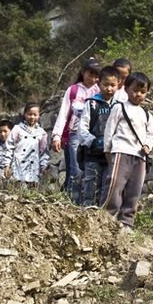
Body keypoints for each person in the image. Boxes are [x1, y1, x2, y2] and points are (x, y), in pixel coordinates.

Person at [101, 72, 153, 228]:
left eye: (142, 92)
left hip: (139, 156)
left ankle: (126, 222)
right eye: (135, 90)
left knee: (134, 190)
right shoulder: (119, 107)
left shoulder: (147, 115)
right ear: (125, 89)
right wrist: (107, 150)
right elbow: (109, 130)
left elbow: (151, 135)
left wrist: (148, 146)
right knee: (114, 186)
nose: (138, 94)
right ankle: (106, 217)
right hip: (121, 151)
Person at [52, 58, 100, 203]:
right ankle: (74, 203)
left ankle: (76, 200)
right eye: (90, 74)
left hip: (92, 136)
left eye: (96, 76)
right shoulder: (73, 90)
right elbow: (64, 112)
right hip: (74, 136)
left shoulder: (99, 90)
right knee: (76, 171)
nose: (93, 79)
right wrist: (57, 136)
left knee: (90, 171)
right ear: (83, 72)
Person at [76, 66, 120, 206]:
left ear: (118, 84)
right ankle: (88, 216)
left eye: (112, 85)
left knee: (108, 186)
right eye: (105, 84)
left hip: (111, 154)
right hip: (93, 153)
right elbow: (82, 127)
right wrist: (92, 141)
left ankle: (104, 218)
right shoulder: (92, 103)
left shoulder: (119, 106)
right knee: (91, 185)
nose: (109, 89)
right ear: (99, 83)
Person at [0, 102, 50, 184]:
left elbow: (43, 152)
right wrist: (6, 165)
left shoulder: (42, 133)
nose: (32, 117)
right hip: (18, 168)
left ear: (39, 115)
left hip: (33, 170)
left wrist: (43, 166)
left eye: (35, 114)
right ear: (25, 114)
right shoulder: (17, 129)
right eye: (29, 114)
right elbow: (9, 147)